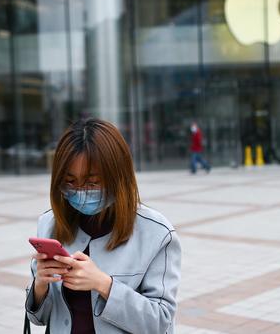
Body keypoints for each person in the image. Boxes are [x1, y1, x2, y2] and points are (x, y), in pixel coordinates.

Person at [25, 118, 181, 333]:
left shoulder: (156, 233)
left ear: (118, 177)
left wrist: (104, 285)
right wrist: (40, 285)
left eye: (93, 182)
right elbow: (38, 319)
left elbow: (161, 322)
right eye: (70, 181)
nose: (81, 191)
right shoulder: (49, 224)